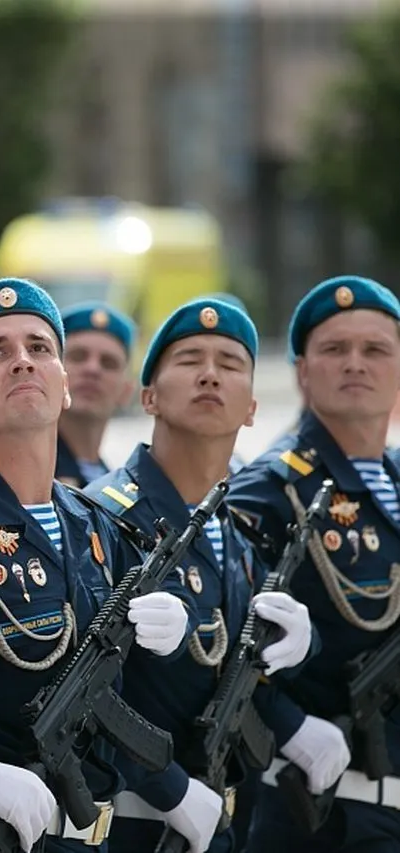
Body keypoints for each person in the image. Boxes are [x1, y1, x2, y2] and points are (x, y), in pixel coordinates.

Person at [0, 278, 196, 853]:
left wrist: (176, 627)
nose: (22, 363)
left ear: (64, 384)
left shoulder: (96, 524)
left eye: (39, 348)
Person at [88, 297, 314, 853]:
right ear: (149, 396)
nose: (211, 374)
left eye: (230, 364)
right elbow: (82, 692)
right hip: (129, 824)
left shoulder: (231, 530)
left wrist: (303, 639)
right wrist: (166, 788)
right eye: (189, 360)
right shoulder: (103, 516)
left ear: (253, 408)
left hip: (223, 823)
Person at [231, 275, 400, 852]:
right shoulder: (272, 492)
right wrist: (288, 726)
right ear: (303, 371)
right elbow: (224, 639)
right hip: (329, 813)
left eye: (375, 349)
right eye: (334, 349)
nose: (356, 363)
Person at [55, 302, 136, 487]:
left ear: (126, 391)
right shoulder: (28, 475)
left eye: (108, 363)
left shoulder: (119, 486)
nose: (92, 369)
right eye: (78, 356)